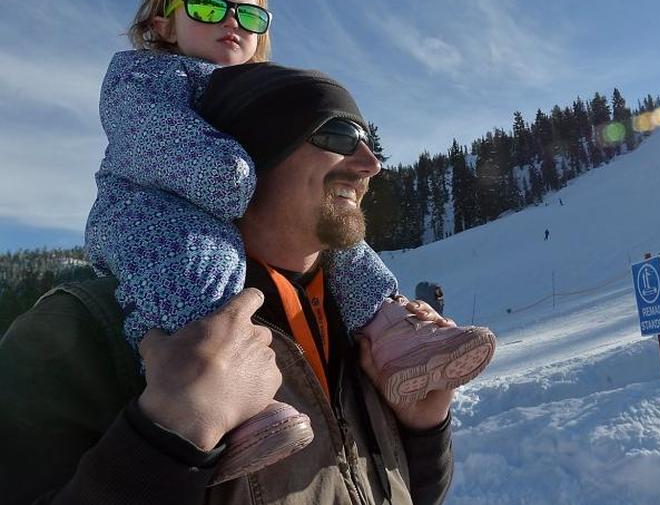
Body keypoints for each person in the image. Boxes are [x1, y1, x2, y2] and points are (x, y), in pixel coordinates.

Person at [83, 0, 494, 477]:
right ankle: (232, 407)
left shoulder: (328, 308)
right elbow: (152, 135)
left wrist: (423, 431)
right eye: (209, 7)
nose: (232, 21)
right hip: (153, 213)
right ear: (162, 23)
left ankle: (392, 335)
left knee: (348, 250)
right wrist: (168, 440)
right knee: (195, 263)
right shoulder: (146, 77)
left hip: (217, 213)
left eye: (250, 16)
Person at [0, 64, 470, 503]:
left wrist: (423, 431)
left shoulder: (367, 329)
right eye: (340, 135)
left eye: (369, 142)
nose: (371, 164)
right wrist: (168, 435)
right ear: (253, 152)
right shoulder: (82, 329)